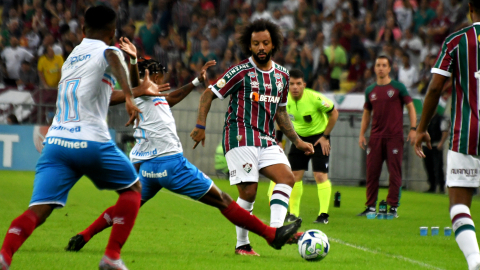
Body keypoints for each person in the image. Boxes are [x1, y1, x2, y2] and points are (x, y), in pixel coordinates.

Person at [65, 44, 301, 256]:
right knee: (224, 201)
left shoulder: (152, 96)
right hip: (171, 165)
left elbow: (171, 98)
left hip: (149, 170)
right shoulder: (139, 91)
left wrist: (196, 83)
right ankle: (271, 235)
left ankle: (84, 235)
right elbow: (135, 85)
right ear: (150, 75)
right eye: (157, 72)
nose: (161, 75)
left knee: (125, 205)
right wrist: (135, 63)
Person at [0, 6, 157, 270]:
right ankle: (112, 256)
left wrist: (134, 84)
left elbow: (100, 98)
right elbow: (111, 55)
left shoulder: (72, 56)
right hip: (90, 141)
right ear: (112, 32)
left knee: (38, 211)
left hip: (56, 143)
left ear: (83, 30)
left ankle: (4, 256)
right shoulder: (108, 50)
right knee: (132, 190)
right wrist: (131, 94)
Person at [190, 19, 314, 256]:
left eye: (265, 43)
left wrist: (297, 141)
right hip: (239, 136)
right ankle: (242, 245)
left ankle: (276, 231)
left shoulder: (282, 76)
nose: (261, 47)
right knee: (248, 192)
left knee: (287, 178)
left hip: (266, 138)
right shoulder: (240, 71)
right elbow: (208, 94)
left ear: (273, 45)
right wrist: (200, 124)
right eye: (256, 43)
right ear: (249, 46)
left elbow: (281, 112)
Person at [414, 2, 480, 269]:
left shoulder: (457, 41)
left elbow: (434, 89)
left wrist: (421, 129)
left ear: (470, 8)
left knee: (459, 203)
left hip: (467, 133)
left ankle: (475, 260)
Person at [267, 69, 339, 224]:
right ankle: (293, 213)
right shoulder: (284, 100)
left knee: (320, 175)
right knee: (294, 176)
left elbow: (334, 113)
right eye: (291, 84)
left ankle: (323, 215)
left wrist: (325, 136)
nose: (295, 87)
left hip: (319, 138)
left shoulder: (314, 98)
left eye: (298, 84)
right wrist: (279, 140)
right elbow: (281, 119)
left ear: (304, 85)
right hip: (298, 140)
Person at [357, 55, 417, 218]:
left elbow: (411, 107)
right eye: (378, 65)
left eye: (384, 65)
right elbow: (367, 113)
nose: (381, 68)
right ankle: (370, 207)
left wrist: (413, 128)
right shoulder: (370, 90)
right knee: (372, 173)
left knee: (394, 173)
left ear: (390, 68)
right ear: (374, 68)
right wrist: (362, 134)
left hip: (394, 137)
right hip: (375, 137)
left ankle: (393, 208)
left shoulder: (398, 88)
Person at [422, 111, 449, 193]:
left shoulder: (440, 118)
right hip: (426, 145)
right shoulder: (425, 118)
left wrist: (441, 143)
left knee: (438, 166)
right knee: (428, 166)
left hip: (436, 145)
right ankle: (432, 186)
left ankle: (441, 187)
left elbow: (445, 131)